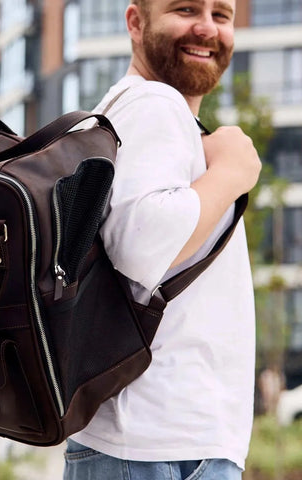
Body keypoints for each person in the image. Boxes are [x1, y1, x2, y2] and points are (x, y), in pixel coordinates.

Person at [63, 1, 262, 479]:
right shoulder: (155, 103)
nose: (207, 28)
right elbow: (145, 242)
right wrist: (235, 170)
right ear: (135, 22)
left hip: (149, 445)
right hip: (163, 448)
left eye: (222, 15)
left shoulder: (126, 110)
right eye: (186, 9)